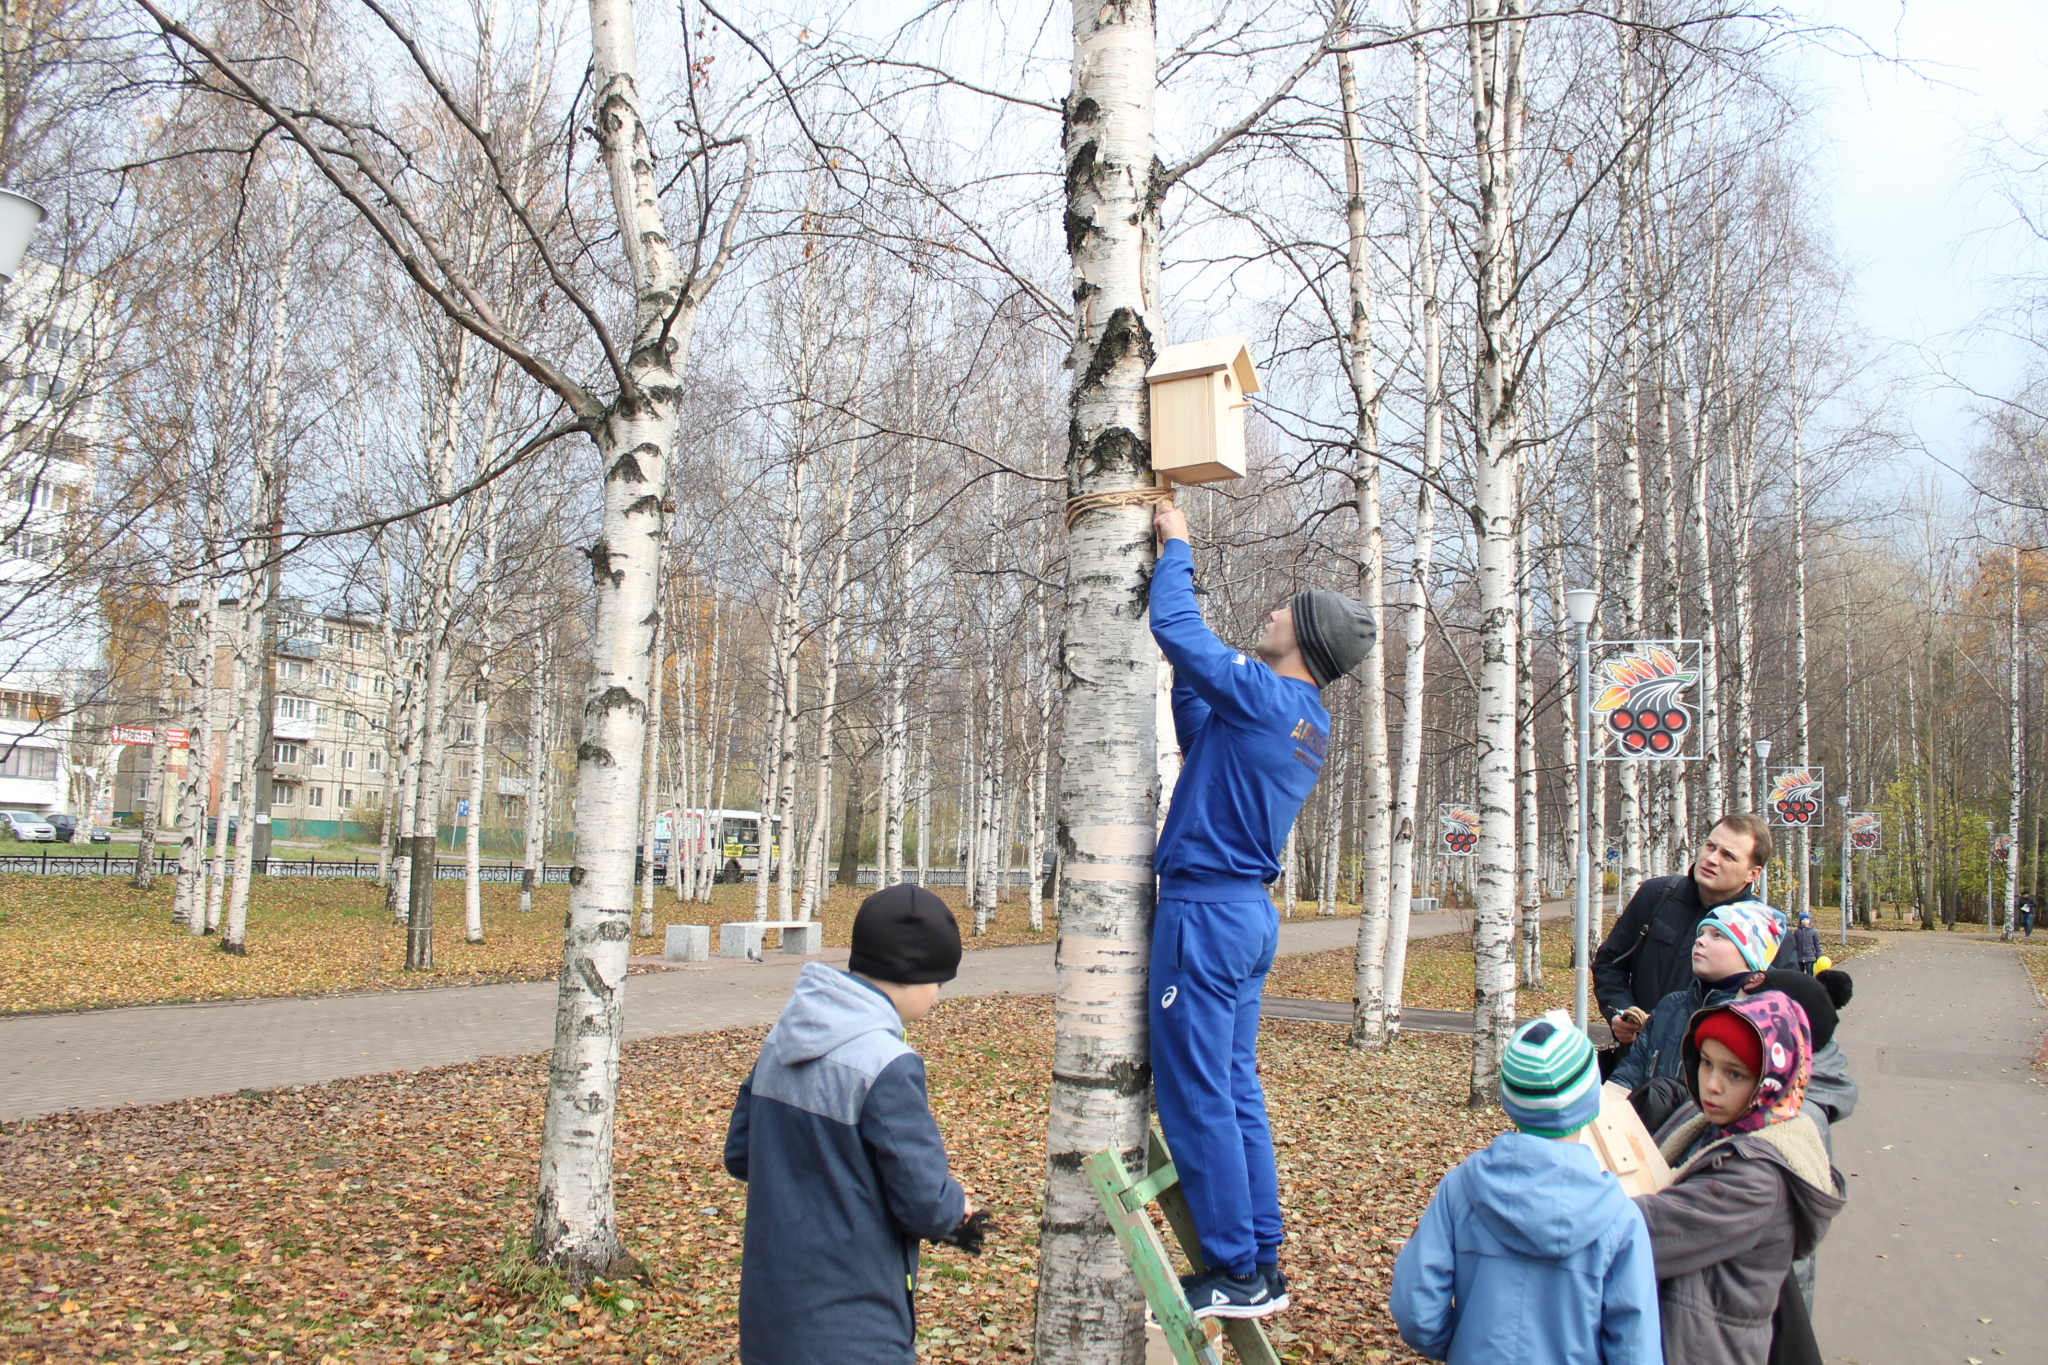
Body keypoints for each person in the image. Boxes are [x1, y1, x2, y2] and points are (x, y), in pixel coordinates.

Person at [1148, 502, 1375, 1319]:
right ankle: (1261, 1258)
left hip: (1206, 917)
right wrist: (1189, 673)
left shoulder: (1272, 697)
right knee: (1235, 1086)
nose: (1273, 612)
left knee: (1197, 1091)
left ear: (1305, 642)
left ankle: (1237, 1270)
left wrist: (1178, 546)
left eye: (1288, 610)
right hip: (1242, 916)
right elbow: (1199, 726)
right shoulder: (1301, 720)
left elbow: (1177, 625)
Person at [723, 885, 989, 1365]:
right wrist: (958, 1213)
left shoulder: (783, 1039)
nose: (937, 995)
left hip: (770, 1321)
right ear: (913, 975)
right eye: (939, 982)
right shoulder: (888, 1064)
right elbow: (924, 1201)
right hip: (854, 1330)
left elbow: (742, 1153)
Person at [1390, 1017, 1662, 1365]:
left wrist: (1463, 1346)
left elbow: (1416, 1311)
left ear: (1510, 1101)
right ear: (1592, 1099)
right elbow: (1636, 1351)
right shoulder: (1620, 1219)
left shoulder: (1459, 1191)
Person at [1633, 992, 1847, 1365]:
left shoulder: (1759, 1178)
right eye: (1706, 1063)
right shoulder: (1716, 1127)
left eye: (1735, 1073)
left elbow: (1640, 1231)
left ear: (1772, 1080)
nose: (1711, 1085)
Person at [1593, 813, 1797, 1050]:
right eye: (1710, 846)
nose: (1711, 859)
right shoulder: (1656, 896)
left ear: (1753, 873)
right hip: (1638, 1066)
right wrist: (1619, 1011)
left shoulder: (1767, 933)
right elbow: (1609, 962)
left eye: (1728, 855)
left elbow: (1786, 1015)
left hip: (1715, 1077)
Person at [1608, 901, 1785, 1092]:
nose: (1699, 941)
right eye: (1700, 934)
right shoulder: (1670, 1006)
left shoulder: (1763, 1020)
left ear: (1751, 956)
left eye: (1718, 936)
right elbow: (1627, 1077)